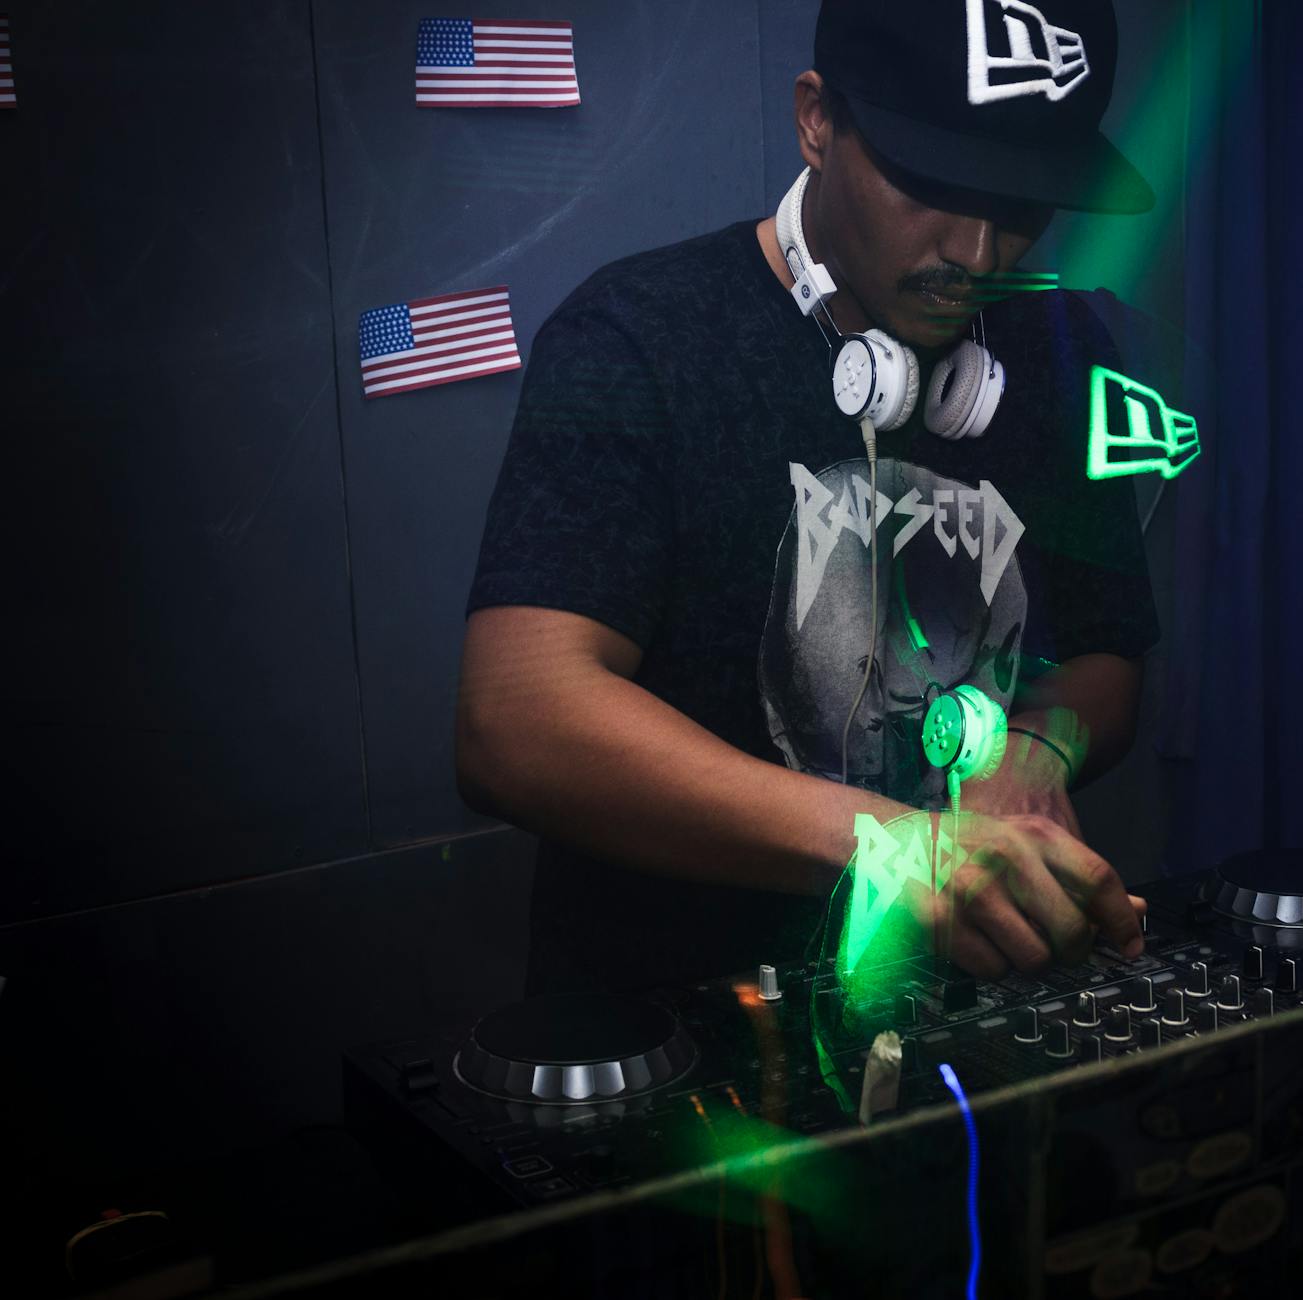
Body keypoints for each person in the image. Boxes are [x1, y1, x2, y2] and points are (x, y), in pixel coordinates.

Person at [456, 0, 1160, 996]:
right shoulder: (637, 339)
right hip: (683, 1033)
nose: (976, 254)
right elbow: (512, 719)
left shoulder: (1059, 351)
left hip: (961, 1025)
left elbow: (1105, 658)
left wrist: (1034, 750)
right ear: (817, 121)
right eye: (934, 181)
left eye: (1021, 204)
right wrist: (892, 843)